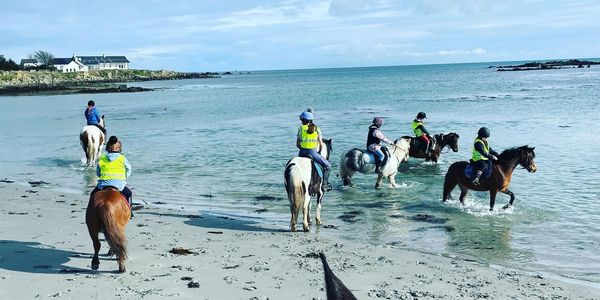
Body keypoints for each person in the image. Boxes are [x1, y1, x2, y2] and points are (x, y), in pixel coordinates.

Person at [89, 136, 133, 216]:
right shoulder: (122, 158)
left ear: (107, 148)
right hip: (118, 185)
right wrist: (123, 177)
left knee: (92, 194)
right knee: (129, 193)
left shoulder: (102, 158)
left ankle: (91, 211)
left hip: (103, 185)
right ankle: (130, 211)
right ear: (119, 149)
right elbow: (129, 170)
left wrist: (102, 177)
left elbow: (98, 172)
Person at [296, 111, 332, 191]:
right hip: (312, 152)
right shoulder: (317, 129)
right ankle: (324, 185)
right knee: (328, 166)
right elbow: (321, 144)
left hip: (301, 152)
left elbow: (297, 145)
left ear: (303, 120)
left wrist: (303, 148)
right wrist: (319, 151)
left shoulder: (300, 128)